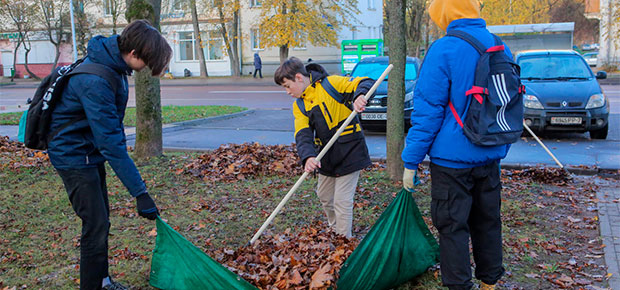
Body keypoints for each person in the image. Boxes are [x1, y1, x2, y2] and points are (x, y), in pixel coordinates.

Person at [47, 20, 172, 290]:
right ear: (134, 53)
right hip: (72, 155)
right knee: (95, 224)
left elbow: (108, 133)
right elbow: (111, 143)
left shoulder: (113, 64)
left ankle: (101, 281)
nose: (146, 69)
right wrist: (140, 193)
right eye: (146, 63)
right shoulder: (95, 80)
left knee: (101, 220)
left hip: (88, 151)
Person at [400, 0, 513, 289]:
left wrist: (411, 161)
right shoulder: (499, 44)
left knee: (453, 227)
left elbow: (428, 111)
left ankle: (459, 286)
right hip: (489, 154)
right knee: (488, 221)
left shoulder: (443, 49)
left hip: (451, 163)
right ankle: (490, 282)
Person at [274, 57, 374, 238]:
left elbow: (365, 82)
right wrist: (308, 157)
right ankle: (336, 231)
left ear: (298, 78)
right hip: (326, 157)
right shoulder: (300, 105)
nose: (287, 91)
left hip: (350, 152)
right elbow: (303, 135)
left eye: (287, 86)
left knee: (342, 202)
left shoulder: (331, 84)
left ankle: (344, 243)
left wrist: (360, 96)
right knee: (325, 196)